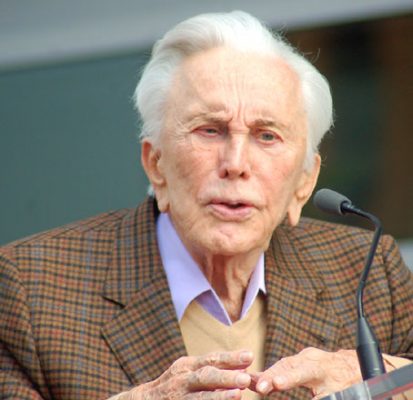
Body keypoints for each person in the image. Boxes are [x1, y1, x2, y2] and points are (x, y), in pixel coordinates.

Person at [0, 10, 412, 400]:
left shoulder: (367, 270)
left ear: (305, 181)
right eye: (210, 130)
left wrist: (388, 381)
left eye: (267, 136)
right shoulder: (28, 290)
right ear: (156, 164)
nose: (236, 164)